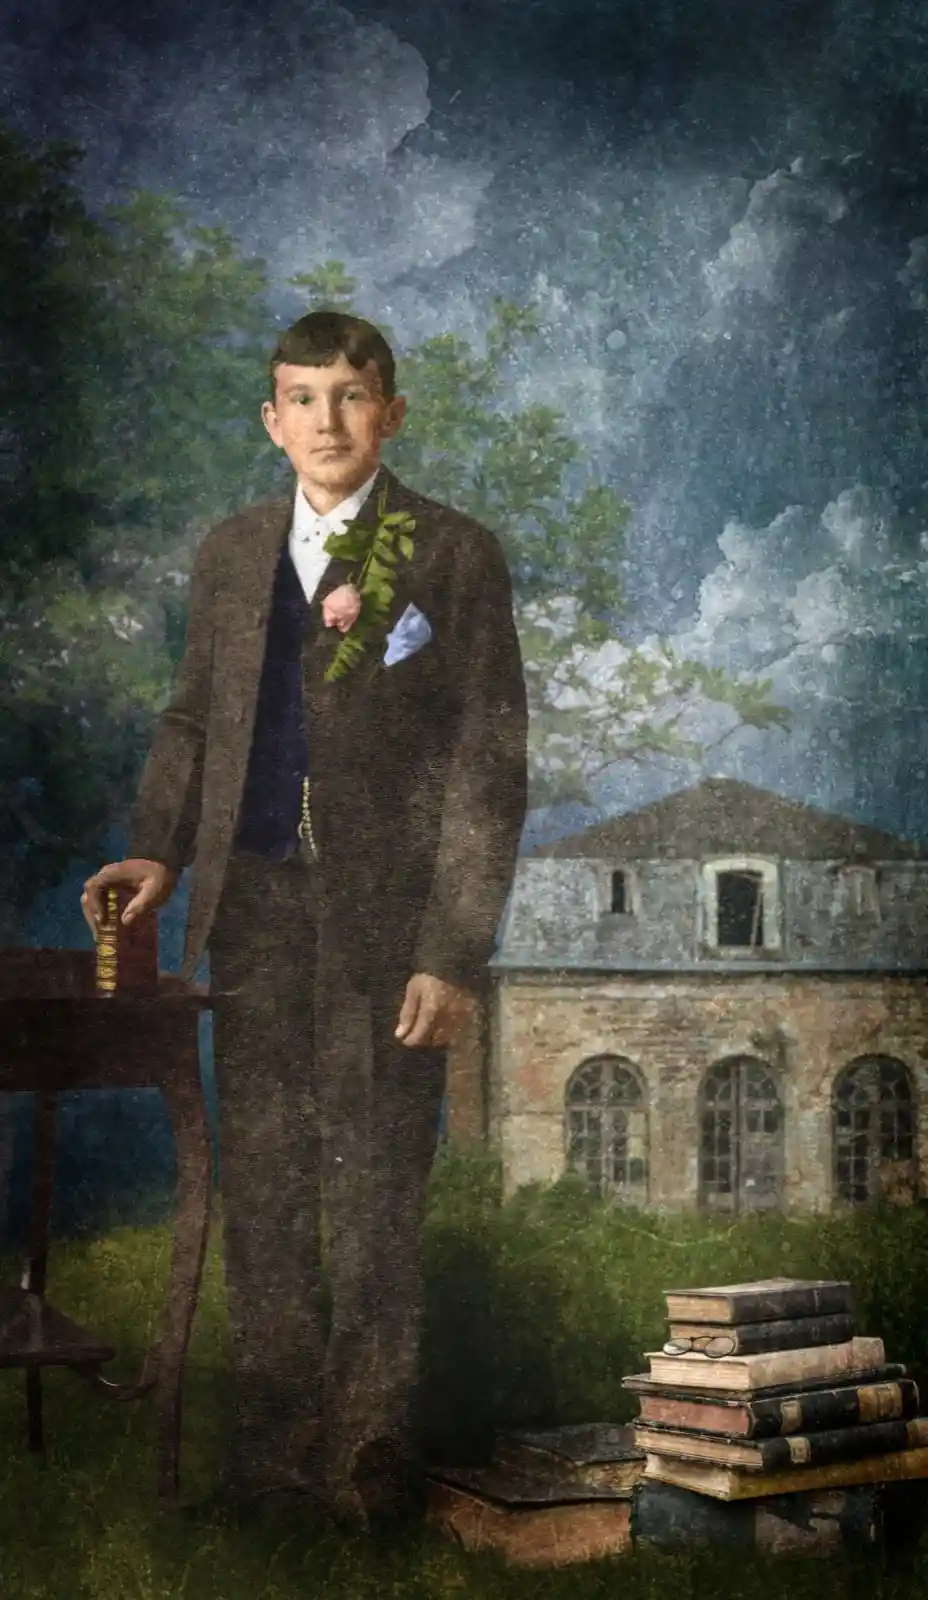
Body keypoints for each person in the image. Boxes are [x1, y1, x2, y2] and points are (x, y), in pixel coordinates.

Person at [81, 311, 528, 1527]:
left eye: (349, 396)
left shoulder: (450, 554)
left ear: (389, 410)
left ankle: (367, 1459)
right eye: (300, 398)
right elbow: (190, 721)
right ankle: (275, 1462)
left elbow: (488, 770)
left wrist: (452, 950)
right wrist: (158, 850)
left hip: (389, 928)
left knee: (378, 1189)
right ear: (270, 419)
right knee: (269, 1187)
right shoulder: (230, 554)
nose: (325, 423)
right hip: (254, 914)